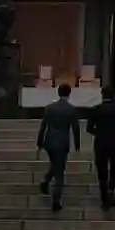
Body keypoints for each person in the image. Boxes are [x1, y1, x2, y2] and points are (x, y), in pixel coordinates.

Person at [35, 82, 83, 212]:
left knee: (55, 165)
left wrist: (40, 142)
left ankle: (46, 181)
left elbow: (43, 126)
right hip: (62, 142)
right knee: (59, 172)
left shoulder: (50, 108)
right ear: (69, 93)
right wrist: (77, 145)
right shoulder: (71, 109)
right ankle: (56, 200)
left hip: (50, 141)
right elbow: (75, 128)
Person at [87, 85, 115, 210]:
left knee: (101, 169)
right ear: (113, 96)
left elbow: (89, 128)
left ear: (102, 95)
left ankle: (103, 194)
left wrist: (99, 133)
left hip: (101, 142)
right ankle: (111, 188)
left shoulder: (96, 109)